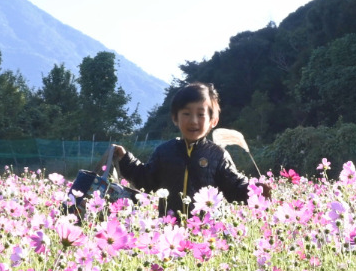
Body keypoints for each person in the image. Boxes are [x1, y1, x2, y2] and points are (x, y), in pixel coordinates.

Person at [107, 83, 264, 216]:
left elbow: (233, 185)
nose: (193, 121)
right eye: (186, 114)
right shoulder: (164, 152)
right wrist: (125, 159)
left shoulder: (218, 155)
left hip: (207, 232)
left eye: (201, 114)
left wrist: (254, 191)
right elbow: (146, 180)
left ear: (213, 121)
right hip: (170, 230)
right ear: (175, 118)